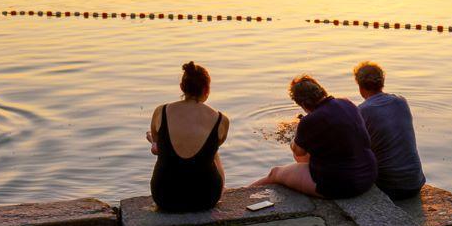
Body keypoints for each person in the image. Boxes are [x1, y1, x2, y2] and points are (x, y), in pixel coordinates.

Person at [250, 75, 376, 199]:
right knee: (309, 155)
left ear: (303, 104)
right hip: (368, 174)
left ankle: (237, 196)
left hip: (343, 185)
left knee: (275, 173)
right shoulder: (347, 103)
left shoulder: (310, 120)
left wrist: (296, 134)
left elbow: (298, 151)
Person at [146, 62, 230, 212]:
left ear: (182, 87)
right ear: (206, 89)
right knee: (214, 153)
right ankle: (221, 188)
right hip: (206, 198)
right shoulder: (221, 120)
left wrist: (153, 141)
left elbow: (160, 146)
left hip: (164, 197)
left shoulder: (161, 112)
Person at [351, 62, 426, 200]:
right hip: (415, 183)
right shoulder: (401, 102)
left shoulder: (362, 111)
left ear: (360, 87)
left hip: (389, 187)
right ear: (382, 82)